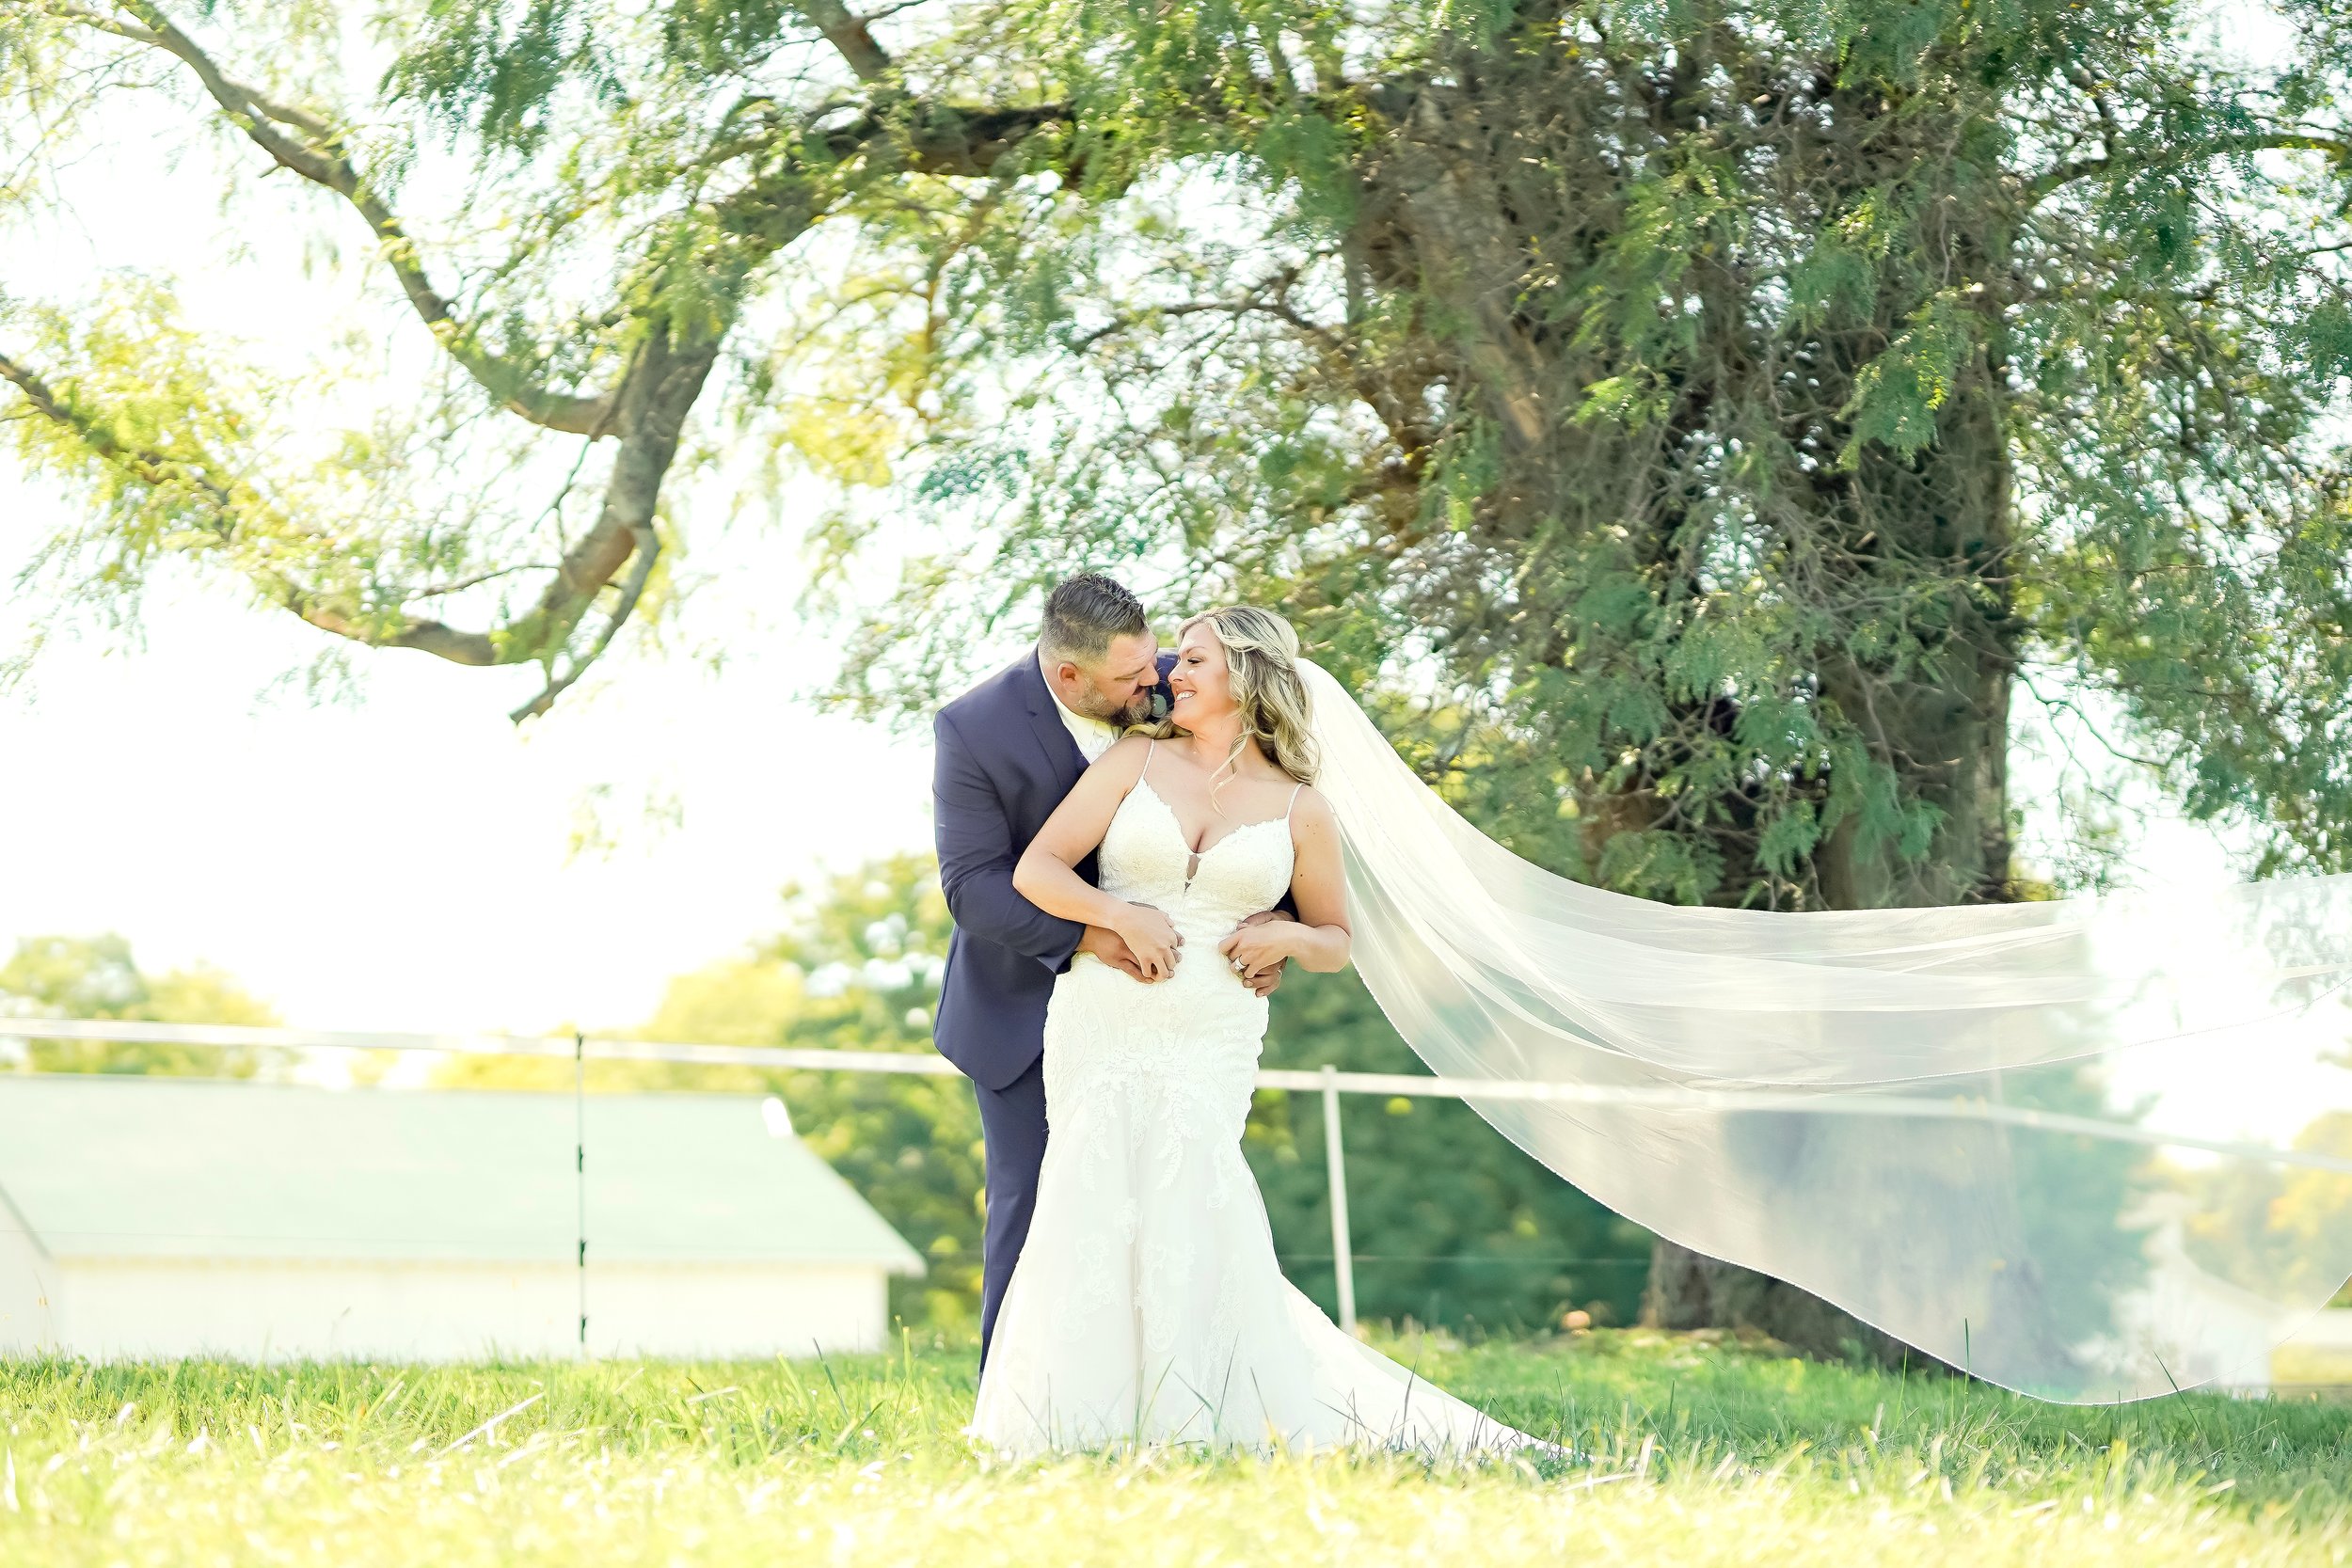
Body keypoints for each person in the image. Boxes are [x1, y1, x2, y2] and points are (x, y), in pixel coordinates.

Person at [967, 604, 1545, 1456]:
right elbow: (1037, 869)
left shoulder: (1304, 809)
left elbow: (1335, 941)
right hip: (1106, 1010)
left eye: (1195, 660)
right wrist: (1118, 913)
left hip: (1214, 1027)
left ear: (1246, 676)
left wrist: (1288, 936)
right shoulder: (1135, 758)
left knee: (1196, 1196)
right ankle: (1066, 1417)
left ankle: (1200, 1412)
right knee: (1090, 1192)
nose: (1173, 673)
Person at [930, 575, 1285, 1364]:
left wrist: (1275, 923)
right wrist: (1097, 933)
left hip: (1170, 1010)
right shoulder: (972, 729)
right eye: (1131, 679)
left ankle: (1169, 1387)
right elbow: (973, 887)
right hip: (1022, 999)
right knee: (1033, 1200)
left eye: (1153, 665)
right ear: (1069, 678)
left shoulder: (1179, 681)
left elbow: (1259, 806)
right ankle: (1010, 1401)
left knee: (1167, 1205)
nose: (1154, 681)